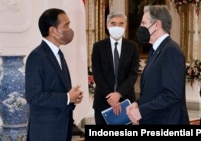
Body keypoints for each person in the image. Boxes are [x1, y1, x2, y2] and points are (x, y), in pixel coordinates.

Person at [25, 8, 83, 141]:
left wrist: (73, 98)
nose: (69, 30)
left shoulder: (58, 54)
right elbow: (34, 96)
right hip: (45, 132)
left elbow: (58, 89)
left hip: (62, 129)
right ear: (53, 31)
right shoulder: (36, 57)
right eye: (66, 25)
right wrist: (67, 97)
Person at [126, 5, 190, 124]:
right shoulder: (156, 51)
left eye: (144, 23)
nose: (140, 28)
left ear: (157, 25)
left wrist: (142, 111)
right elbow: (153, 91)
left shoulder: (170, 51)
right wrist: (137, 104)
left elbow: (172, 94)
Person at [91, 11, 139, 124]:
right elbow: (97, 74)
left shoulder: (132, 47)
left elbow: (133, 74)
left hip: (126, 102)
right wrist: (111, 98)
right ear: (107, 25)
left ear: (125, 26)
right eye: (113, 23)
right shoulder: (98, 47)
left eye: (121, 23)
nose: (117, 26)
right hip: (103, 102)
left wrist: (118, 94)